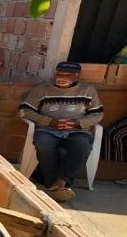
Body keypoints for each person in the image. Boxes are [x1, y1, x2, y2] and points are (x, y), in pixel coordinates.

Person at [18, 62, 104, 201]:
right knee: (43, 144)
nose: (62, 77)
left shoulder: (88, 90)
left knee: (82, 146)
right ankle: (59, 185)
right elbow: (24, 111)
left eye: (67, 75)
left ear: (77, 76)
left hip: (77, 130)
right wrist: (49, 121)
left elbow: (97, 114)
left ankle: (57, 183)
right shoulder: (42, 90)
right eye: (59, 74)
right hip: (48, 129)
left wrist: (79, 123)